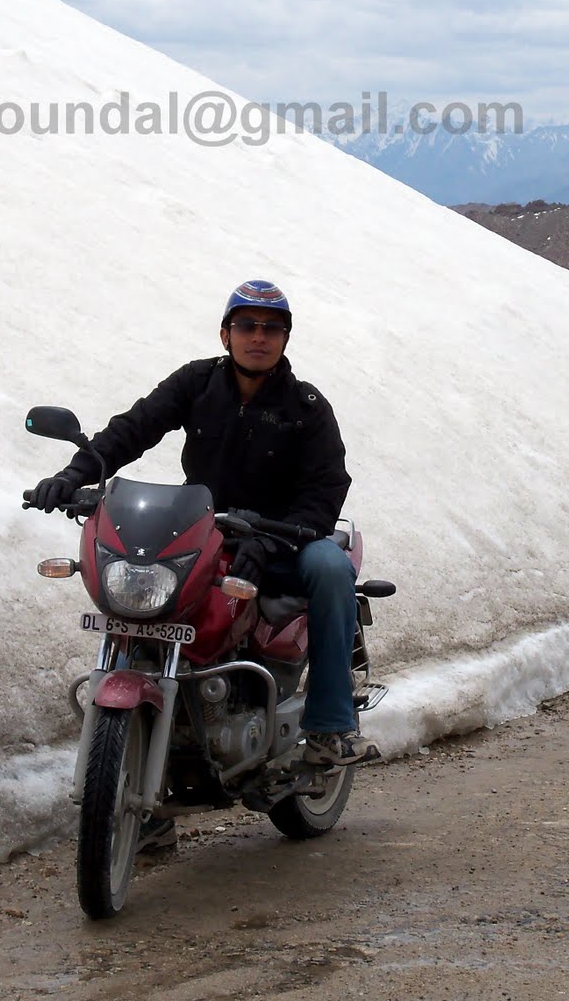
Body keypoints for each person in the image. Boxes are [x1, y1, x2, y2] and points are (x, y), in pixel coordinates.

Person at [23, 280, 381, 768]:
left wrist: (275, 541)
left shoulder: (307, 408)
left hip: (286, 538)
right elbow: (133, 429)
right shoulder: (196, 383)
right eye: (247, 326)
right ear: (225, 334)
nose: (259, 336)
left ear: (285, 339)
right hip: (210, 531)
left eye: (272, 328)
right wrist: (73, 476)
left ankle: (331, 727)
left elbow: (325, 491)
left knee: (331, 570)